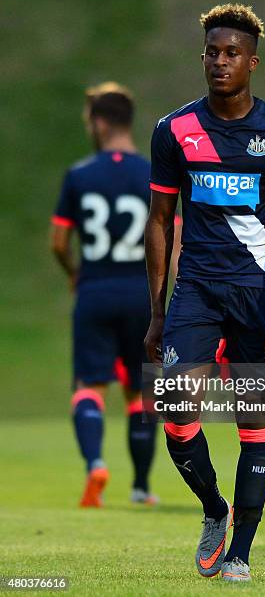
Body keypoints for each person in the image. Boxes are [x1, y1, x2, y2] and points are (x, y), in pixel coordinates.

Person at [144, 4, 265, 582]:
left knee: (253, 422)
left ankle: (240, 552)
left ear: (252, 62)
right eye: (212, 52)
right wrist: (157, 310)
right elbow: (160, 220)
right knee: (174, 406)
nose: (220, 61)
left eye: (231, 53)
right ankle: (215, 510)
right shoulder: (175, 130)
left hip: (259, 295)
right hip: (196, 291)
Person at [51, 82, 163, 507]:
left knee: (89, 386)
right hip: (142, 293)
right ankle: (140, 486)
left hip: (95, 290)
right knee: (142, 392)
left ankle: (96, 463)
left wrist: (74, 273)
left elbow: (58, 242)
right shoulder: (152, 174)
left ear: (98, 123)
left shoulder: (80, 175)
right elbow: (172, 238)